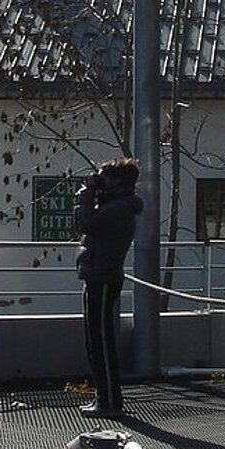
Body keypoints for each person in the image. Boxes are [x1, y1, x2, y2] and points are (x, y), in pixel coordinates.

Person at [74, 158, 143, 419]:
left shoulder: (119, 209)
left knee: (101, 342)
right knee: (95, 340)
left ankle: (110, 402)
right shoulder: (114, 205)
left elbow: (87, 225)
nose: (99, 182)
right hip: (97, 275)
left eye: (104, 178)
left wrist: (86, 195)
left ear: (117, 183)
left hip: (103, 277)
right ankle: (105, 399)